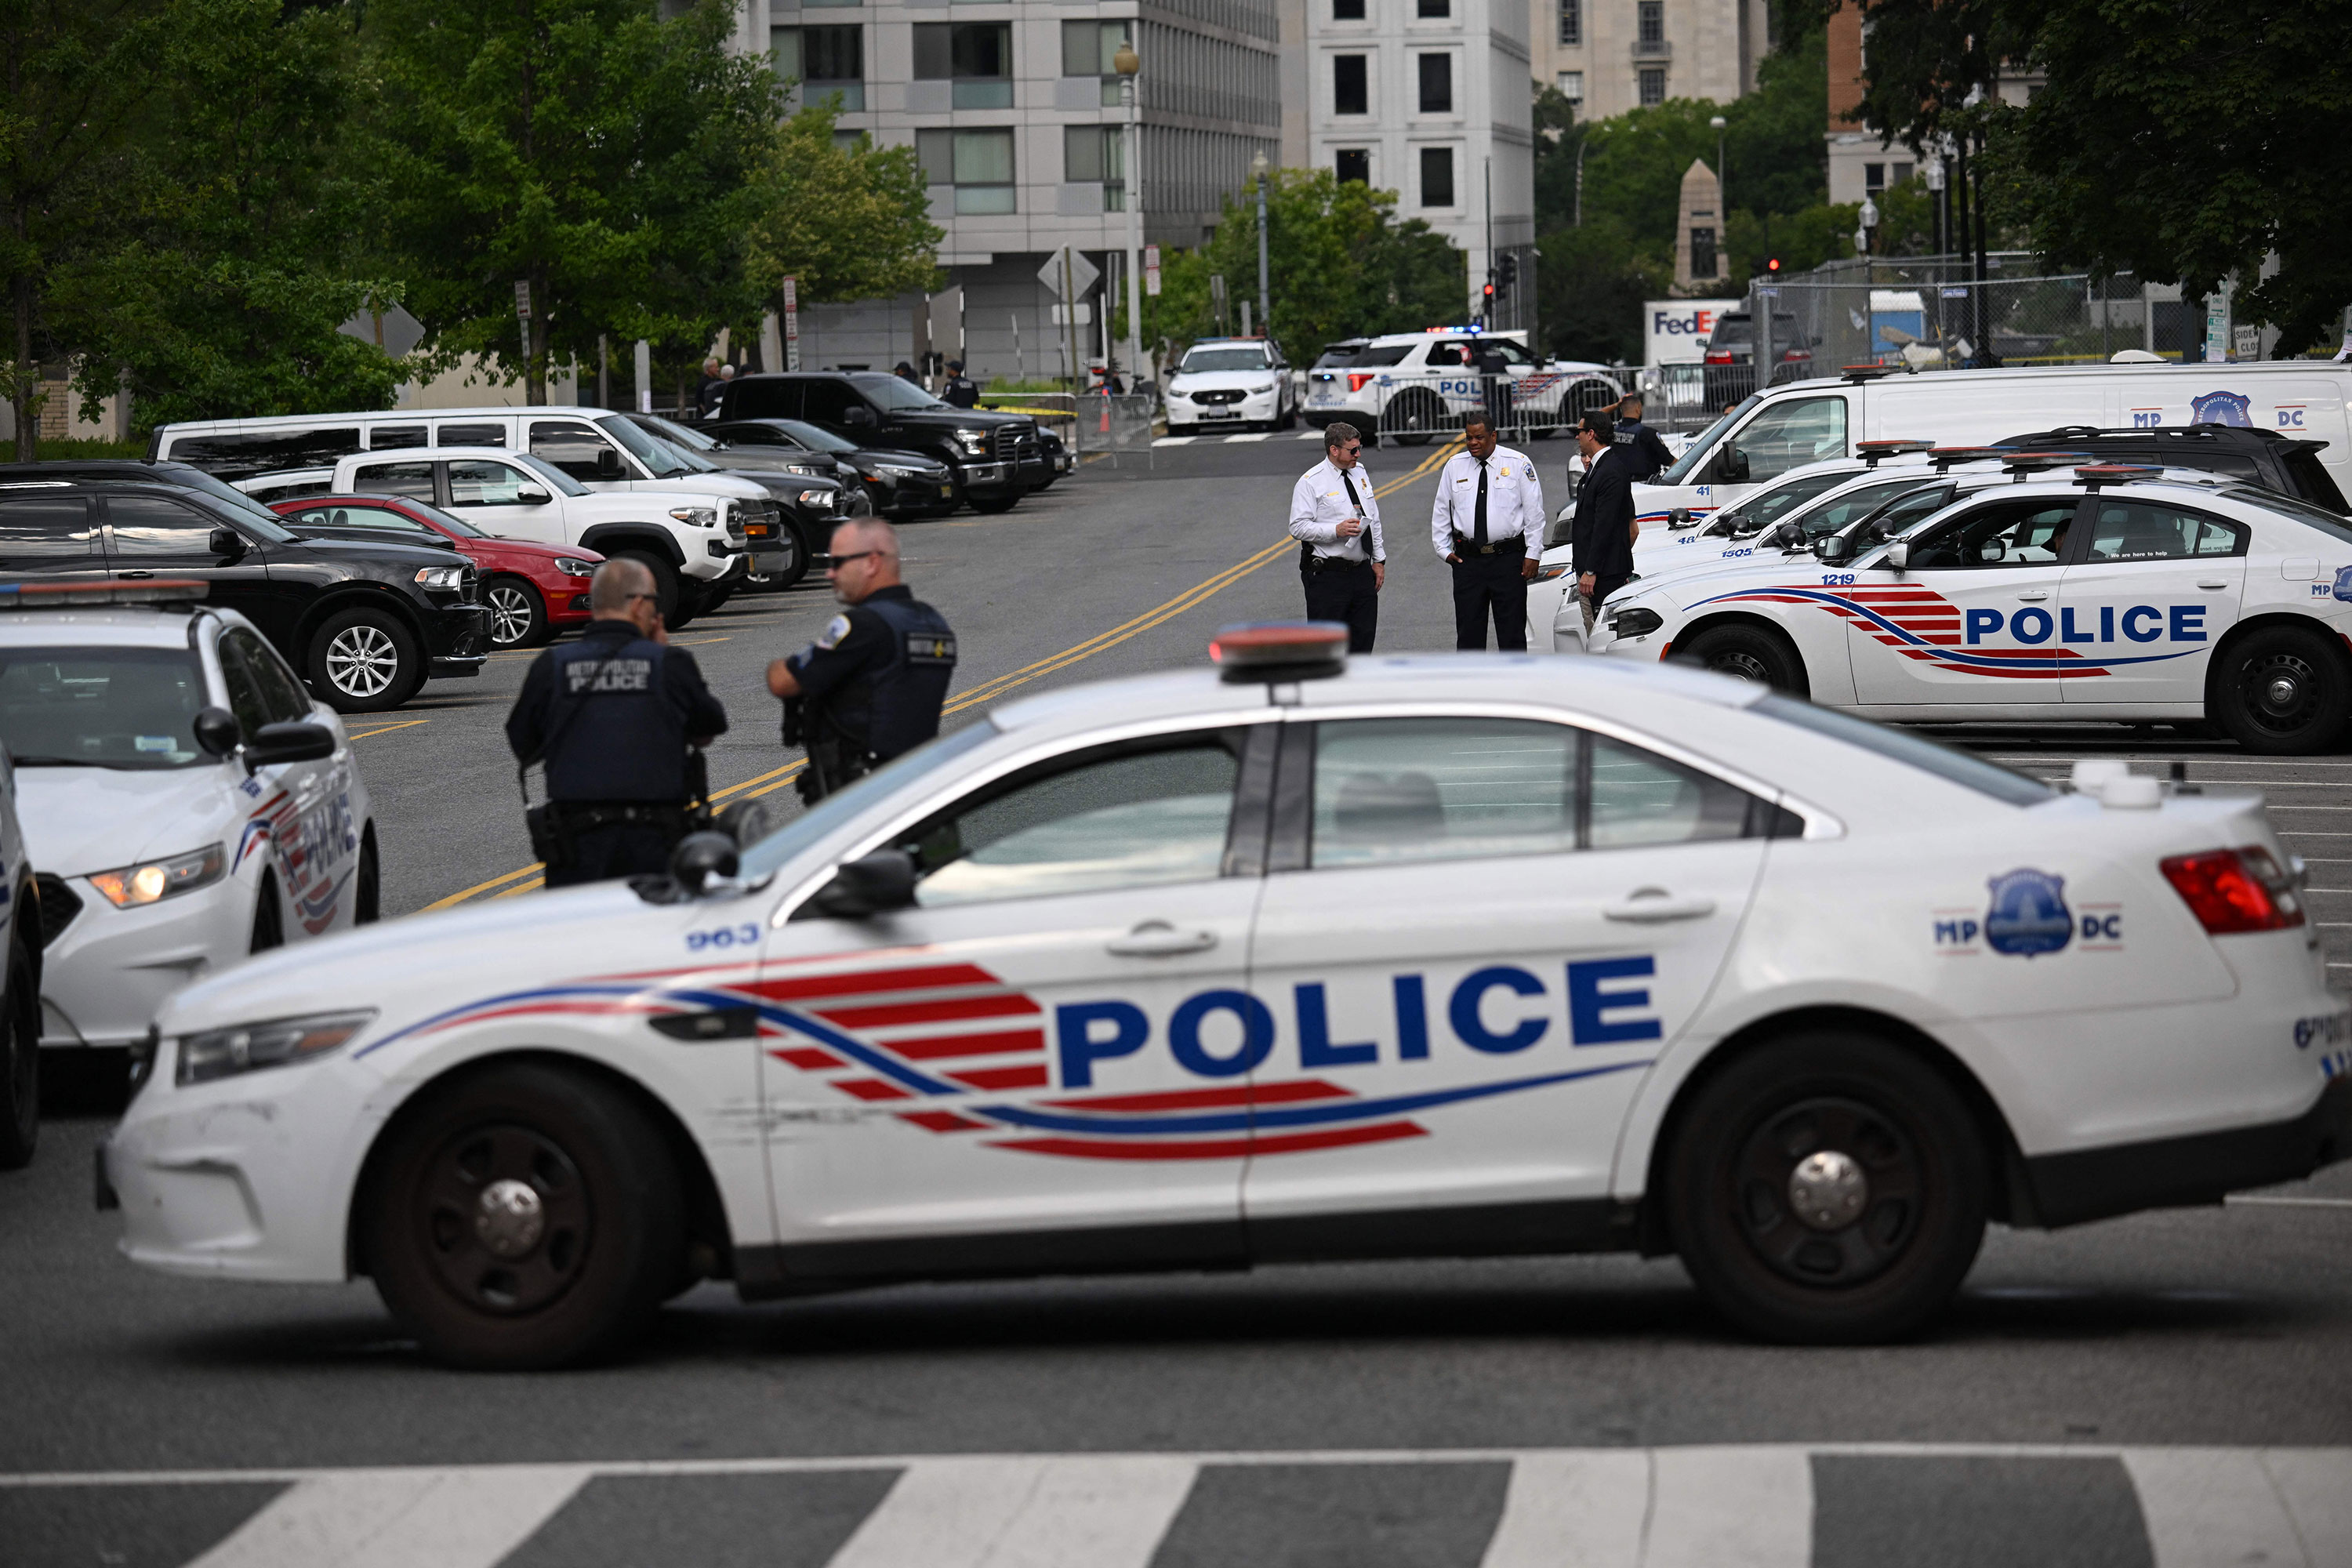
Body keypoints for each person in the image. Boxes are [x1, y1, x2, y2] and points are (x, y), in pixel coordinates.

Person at [506, 558, 729, 887]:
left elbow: (523, 741)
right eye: (654, 600)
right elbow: (709, 727)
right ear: (638, 604)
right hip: (655, 843)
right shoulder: (668, 663)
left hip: (576, 846)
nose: (658, 611)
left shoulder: (551, 665)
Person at [768, 518, 957, 803]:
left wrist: (778, 666)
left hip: (866, 795)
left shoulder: (864, 625)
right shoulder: (931, 622)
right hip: (921, 784)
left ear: (871, 563)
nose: (830, 574)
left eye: (838, 563)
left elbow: (784, 682)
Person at [1430, 411, 1545, 651]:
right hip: (1468, 561)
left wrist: (1533, 553)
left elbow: (1534, 512)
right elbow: (1442, 508)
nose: (1473, 443)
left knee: (1512, 633)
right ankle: (1474, 686)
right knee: (1469, 635)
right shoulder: (1454, 466)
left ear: (1493, 436)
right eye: (1468, 437)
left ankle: (1513, 686)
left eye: (1479, 437)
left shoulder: (1518, 464)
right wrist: (1443, 549)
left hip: (1508, 560)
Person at [1288, 419, 1386, 652]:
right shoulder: (1311, 482)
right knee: (1327, 649)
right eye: (1353, 450)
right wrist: (1336, 530)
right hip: (1328, 577)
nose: (1359, 455)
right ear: (1334, 450)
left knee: (1363, 644)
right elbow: (1297, 527)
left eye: (1359, 448)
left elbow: (1373, 516)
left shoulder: (1359, 473)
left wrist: (1379, 560)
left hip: (1361, 574)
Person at [1573, 412, 1639, 631]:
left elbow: (1604, 525)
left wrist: (1591, 571)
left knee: (1604, 636)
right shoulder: (1598, 469)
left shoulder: (1610, 471)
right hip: (1597, 574)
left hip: (1604, 577)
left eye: (1580, 432)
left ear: (1591, 434)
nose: (1577, 437)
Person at [1604, 390, 1677, 481]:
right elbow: (1670, 461)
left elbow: (1592, 418)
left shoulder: (1611, 432)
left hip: (1619, 484)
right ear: (1638, 408)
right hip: (1645, 486)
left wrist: (1617, 404)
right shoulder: (1648, 434)